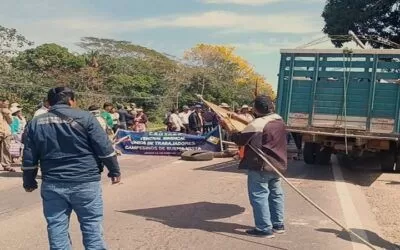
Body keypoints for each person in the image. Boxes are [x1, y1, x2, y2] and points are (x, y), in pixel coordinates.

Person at [22, 87, 121, 250]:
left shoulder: (35, 124)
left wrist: (29, 181)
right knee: (91, 225)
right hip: (86, 181)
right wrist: (114, 171)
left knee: (56, 226)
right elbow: (104, 148)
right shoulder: (86, 118)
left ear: (49, 103)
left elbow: (29, 157)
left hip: (53, 184)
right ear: (71, 101)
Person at [230, 95, 287, 238]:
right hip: (278, 164)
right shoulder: (279, 121)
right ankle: (278, 225)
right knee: (276, 195)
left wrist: (230, 130)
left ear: (257, 109)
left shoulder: (257, 124)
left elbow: (240, 140)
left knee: (259, 196)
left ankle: (264, 229)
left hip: (261, 165)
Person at [0, 99, 14, 172]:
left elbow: (10, 121)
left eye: (8, 103)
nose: (7, 104)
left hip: (6, 133)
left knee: (6, 149)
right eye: (5, 103)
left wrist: (7, 114)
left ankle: (7, 165)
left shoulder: (7, 111)